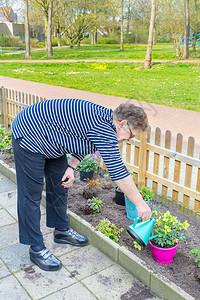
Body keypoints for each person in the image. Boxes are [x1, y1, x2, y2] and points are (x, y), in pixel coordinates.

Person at [12, 98, 151, 272]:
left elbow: (83, 140)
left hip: (52, 138)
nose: (129, 139)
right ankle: (36, 247)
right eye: (131, 135)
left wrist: (71, 167)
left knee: (61, 183)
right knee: (30, 194)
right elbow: (118, 173)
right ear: (122, 123)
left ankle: (61, 230)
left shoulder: (106, 122)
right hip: (29, 135)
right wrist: (140, 203)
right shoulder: (104, 129)